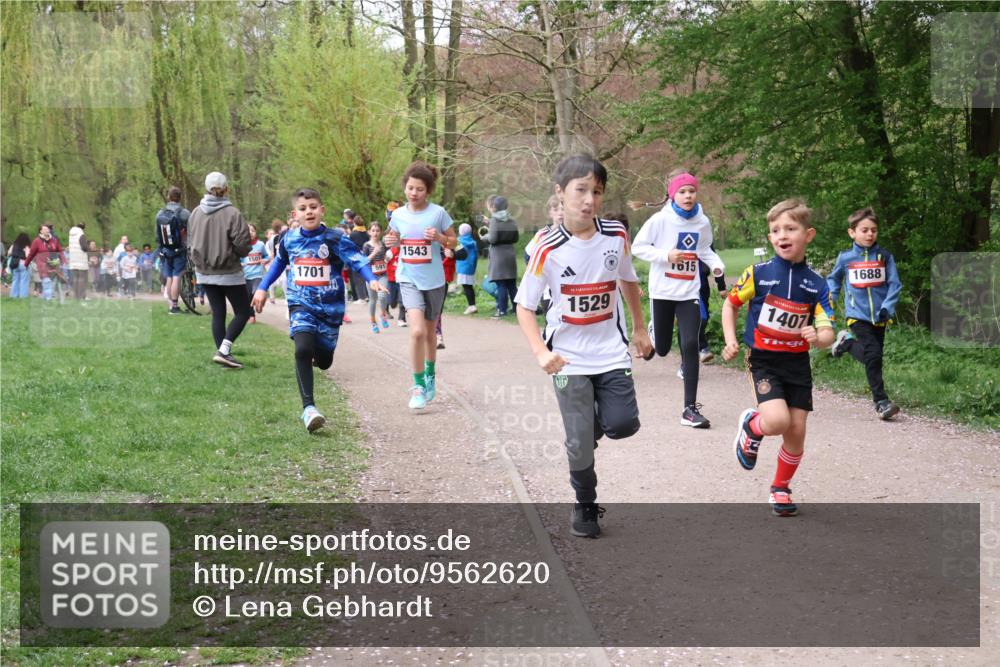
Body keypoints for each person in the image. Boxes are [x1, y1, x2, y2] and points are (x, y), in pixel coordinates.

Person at [514, 153, 653, 538]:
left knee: (623, 425)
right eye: (581, 190)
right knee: (579, 442)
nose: (589, 199)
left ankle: (587, 428)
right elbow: (524, 306)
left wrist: (640, 328)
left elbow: (627, 281)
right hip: (567, 359)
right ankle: (586, 504)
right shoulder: (546, 245)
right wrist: (541, 351)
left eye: (597, 191)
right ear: (560, 193)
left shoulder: (616, 235)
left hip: (610, 350)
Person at [722, 198, 835, 517]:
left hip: (797, 364)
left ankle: (780, 488)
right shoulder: (758, 274)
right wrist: (731, 340)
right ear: (770, 238)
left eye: (790, 228)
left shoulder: (816, 285)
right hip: (764, 361)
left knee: (796, 432)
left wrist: (818, 336)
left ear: (808, 234)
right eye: (775, 230)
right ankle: (753, 427)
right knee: (777, 421)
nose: (782, 235)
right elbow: (730, 304)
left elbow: (828, 331)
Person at [252, 188, 382, 431]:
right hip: (301, 303)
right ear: (295, 214)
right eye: (303, 208)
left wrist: (370, 278)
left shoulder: (334, 238)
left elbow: (356, 259)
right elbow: (279, 263)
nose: (308, 211)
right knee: (302, 349)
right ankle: (308, 409)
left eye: (313, 207)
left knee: (324, 361)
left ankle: (319, 354)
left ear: (322, 210)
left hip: (330, 309)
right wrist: (262, 287)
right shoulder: (289, 239)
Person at [631, 170, 724, 429]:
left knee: (690, 343)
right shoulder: (660, 220)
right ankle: (653, 330)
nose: (688, 196)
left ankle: (689, 409)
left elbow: (704, 248)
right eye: (682, 192)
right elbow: (639, 247)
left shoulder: (702, 222)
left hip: (688, 292)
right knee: (660, 349)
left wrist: (717, 266)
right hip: (662, 292)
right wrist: (666, 256)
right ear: (673, 194)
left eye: (691, 191)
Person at [384, 161, 457, 410]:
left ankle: (430, 374)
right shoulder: (398, 215)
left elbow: (454, 242)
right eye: (410, 188)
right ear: (405, 187)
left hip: (434, 281)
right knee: (415, 331)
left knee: (428, 335)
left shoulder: (438, 213)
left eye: (420, 189)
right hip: (408, 278)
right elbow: (393, 242)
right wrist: (389, 241)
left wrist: (439, 238)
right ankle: (417, 386)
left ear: (428, 191)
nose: (414, 193)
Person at [826, 207, 903, 420]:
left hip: (880, 316)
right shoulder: (846, 258)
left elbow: (895, 284)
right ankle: (881, 402)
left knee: (874, 357)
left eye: (874, 230)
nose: (870, 234)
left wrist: (887, 307)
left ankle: (847, 344)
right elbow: (833, 279)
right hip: (857, 315)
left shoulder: (885, 256)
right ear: (852, 232)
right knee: (874, 355)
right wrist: (831, 296)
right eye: (864, 230)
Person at [188, 171, 253, 368]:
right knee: (243, 312)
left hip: (205, 273)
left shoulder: (195, 213)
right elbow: (242, 245)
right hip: (229, 272)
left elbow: (190, 242)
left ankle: (223, 353)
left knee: (218, 314)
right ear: (226, 189)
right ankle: (224, 350)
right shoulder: (233, 213)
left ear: (206, 189)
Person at [156, 186, 191, 314]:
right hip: (179, 249)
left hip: (165, 250)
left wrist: (161, 249)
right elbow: (192, 230)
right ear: (180, 197)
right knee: (177, 276)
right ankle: (175, 306)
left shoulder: (160, 213)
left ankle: (170, 305)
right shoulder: (184, 213)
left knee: (169, 276)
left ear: (168, 197)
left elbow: (157, 235)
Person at [485, 195, 519, 318]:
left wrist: (485, 238)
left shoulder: (494, 220)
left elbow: (493, 239)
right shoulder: (511, 219)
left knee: (501, 285)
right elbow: (516, 238)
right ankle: (517, 309)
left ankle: (502, 310)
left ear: (494, 207)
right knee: (511, 284)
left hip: (498, 254)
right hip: (510, 252)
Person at [23, 224, 64, 301]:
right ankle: (48, 299)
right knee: (47, 281)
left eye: (48, 229)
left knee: (50, 282)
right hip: (42, 265)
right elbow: (32, 253)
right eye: (45, 229)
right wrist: (27, 263)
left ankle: (45, 297)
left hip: (52, 264)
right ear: (41, 231)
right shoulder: (37, 241)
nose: (47, 231)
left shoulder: (53, 240)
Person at [362, 221, 391, 333]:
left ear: (381, 232)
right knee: (373, 300)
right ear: (369, 232)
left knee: (383, 296)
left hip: (383, 274)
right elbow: (363, 261)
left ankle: (382, 314)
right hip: (371, 276)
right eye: (373, 230)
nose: (375, 233)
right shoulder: (366, 245)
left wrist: (386, 259)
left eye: (377, 230)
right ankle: (373, 322)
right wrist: (374, 253)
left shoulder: (383, 244)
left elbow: (385, 257)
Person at [241, 223, 269, 324]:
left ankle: (259, 303)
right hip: (246, 275)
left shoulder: (260, 245)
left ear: (255, 232)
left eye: (252, 230)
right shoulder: (243, 246)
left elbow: (266, 256)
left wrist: (265, 260)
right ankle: (252, 316)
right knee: (247, 297)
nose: (250, 233)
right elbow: (239, 259)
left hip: (257, 275)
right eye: (248, 231)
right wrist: (241, 264)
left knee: (254, 292)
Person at [456, 222, 479, 314]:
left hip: (463, 266)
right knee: (469, 286)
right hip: (471, 266)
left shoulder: (460, 241)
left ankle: (471, 306)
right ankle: (472, 305)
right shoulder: (473, 242)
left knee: (466, 287)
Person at [348, 214, 370, 304]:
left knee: (357, 277)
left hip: (356, 257)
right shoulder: (366, 233)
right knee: (365, 276)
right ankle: (368, 296)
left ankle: (361, 297)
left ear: (354, 223)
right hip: (365, 256)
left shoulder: (353, 234)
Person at [67, 221, 90, 299]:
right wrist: (88, 246)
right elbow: (84, 247)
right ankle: (81, 296)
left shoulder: (71, 235)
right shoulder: (81, 234)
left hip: (73, 260)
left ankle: (76, 296)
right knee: (82, 279)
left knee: (76, 279)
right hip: (81, 260)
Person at [6, 232, 31, 298]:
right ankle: (23, 296)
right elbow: (27, 255)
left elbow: (9, 253)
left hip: (15, 263)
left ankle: (13, 295)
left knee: (15, 280)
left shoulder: (14, 245)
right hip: (23, 263)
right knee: (24, 280)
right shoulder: (26, 246)